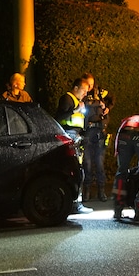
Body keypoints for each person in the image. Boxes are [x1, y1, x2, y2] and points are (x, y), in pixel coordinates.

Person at [55, 76, 93, 214]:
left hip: (75, 137)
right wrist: (75, 110)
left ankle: (74, 203)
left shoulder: (77, 101)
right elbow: (59, 118)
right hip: (70, 137)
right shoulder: (67, 99)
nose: (85, 93)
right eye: (83, 90)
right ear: (75, 88)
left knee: (78, 170)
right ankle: (75, 204)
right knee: (75, 171)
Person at [81, 84, 112, 201]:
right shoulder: (86, 101)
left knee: (99, 164)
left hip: (100, 133)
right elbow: (86, 107)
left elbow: (107, 115)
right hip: (88, 133)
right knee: (87, 163)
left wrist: (105, 107)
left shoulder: (102, 103)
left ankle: (101, 190)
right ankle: (87, 190)